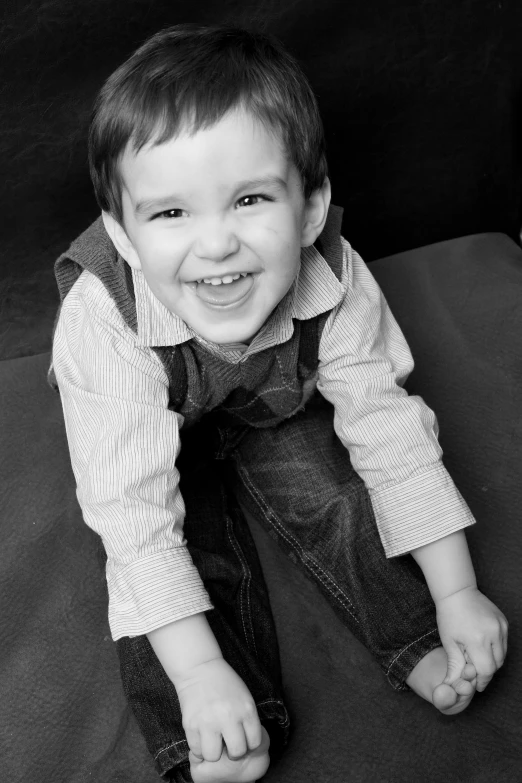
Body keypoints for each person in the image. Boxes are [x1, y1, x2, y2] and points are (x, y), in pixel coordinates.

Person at [50, 23, 508, 783]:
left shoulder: (333, 273)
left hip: (270, 406)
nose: (217, 243)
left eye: (250, 198)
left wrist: (457, 589)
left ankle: (422, 635)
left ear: (309, 209)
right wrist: (198, 673)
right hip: (148, 428)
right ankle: (214, 725)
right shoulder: (106, 317)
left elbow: (390, 431)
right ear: (123, 235)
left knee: (334, 496)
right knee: (178, 550)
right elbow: (132, 517)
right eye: (171, 213)